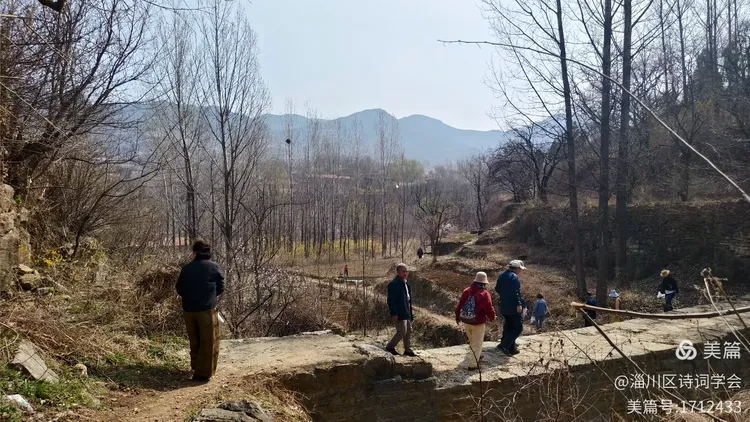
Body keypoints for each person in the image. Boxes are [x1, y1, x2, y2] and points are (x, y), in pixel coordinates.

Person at [176, 240, 225, 382]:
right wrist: (210, 297)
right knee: (208, 341)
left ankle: (195, 366)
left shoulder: (186, 269)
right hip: (206, 310)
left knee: (194, 339)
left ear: (194, 253)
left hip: (188, 310)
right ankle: (203, 373)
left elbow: (179, 288)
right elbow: (221, 287)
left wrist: (189, 297)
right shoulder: (214, 267)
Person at [455, 272, 496, 370]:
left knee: (472, 341)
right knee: (477, 343)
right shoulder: (484, 294)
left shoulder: (466, 291)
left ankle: (478, 355)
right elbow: (489, 308)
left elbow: (460, 305)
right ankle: (473, 365)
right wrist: (492, 317)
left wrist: (457, 317)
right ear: (484, 283)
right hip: (478, 323)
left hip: (466, 321)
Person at [495, 260, 526, 356]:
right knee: (518, 327)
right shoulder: (514, 277)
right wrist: (518, 304)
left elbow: (497, 288)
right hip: (513, 306)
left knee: (509, 325)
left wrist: (504, 296)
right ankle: (504, 346)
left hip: (504, 305)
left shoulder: (502, 276)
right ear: (517, 268)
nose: (520, 271)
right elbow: (515, 292)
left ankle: (511, 348)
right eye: (520, 269)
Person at [386, 263, 416, 357]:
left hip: (406, 311)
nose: (405, 273)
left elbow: (408, 300)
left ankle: (407, 349)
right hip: (399, 312)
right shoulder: (393, 284)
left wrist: (410, 313)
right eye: (403, 271)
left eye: (406, 271)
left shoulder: (406, 284)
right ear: (398, 272)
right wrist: (394, 313)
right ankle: (390, 347)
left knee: (409, 330)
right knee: (402, 331)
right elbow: (390, 300)